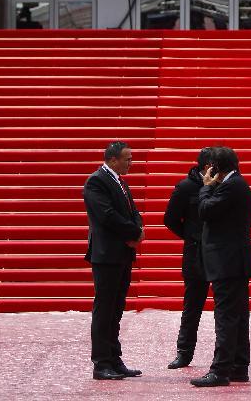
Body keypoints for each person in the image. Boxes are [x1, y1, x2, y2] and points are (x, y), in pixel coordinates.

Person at [190, 146, 251, 387]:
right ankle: (238, 366)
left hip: (227, 263)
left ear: (215, 168)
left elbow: (205, 211)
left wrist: (206, 188)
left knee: (227, 317)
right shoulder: (236, 184)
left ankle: (220, 370)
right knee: (236, 316)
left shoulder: (230, 186)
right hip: (233, 262)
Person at [83, 141, 144, 380]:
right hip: (107, 254)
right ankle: (101, 362)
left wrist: (137, 228)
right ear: (112, 159)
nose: (131, 163)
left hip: (122, 253)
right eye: (127, 159)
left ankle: (114, 357)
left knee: (116, 308)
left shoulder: (119, 181)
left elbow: (132, 211)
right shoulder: (97, 181)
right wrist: (132, 232)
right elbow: (106, 215)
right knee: (105, 309)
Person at [163, 147, 213, 370]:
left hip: (220, 252)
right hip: (195, 253)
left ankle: (225, 355)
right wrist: (191, 236)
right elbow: (170, 218)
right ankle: (184, 352)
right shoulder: (186, 187)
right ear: (206, 167)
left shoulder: (224, 185)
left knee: (225, 308)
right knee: (192, 306)